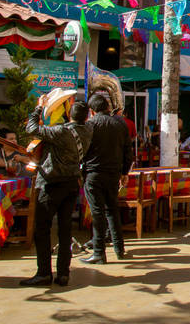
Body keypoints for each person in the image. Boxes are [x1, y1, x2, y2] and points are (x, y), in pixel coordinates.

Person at [20, 96, 92, 287]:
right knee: (65, 229)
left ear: (69, 114)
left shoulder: (61, 131)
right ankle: (63, 273)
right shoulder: (87, 130)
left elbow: (31, 128)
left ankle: (44, 272)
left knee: (42, 228)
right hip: (71, 184)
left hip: (52, 183)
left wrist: (39, 108)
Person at [80, 93, 133, 266]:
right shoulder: (120, 123)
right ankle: (119, 249)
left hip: (94, 173)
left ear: (92, 111)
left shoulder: (90, 125)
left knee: (97, 213)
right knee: (112, 210)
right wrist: (125, 172)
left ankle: (98, 253)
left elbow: (83, 151)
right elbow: (128, 150)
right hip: (113, 173)